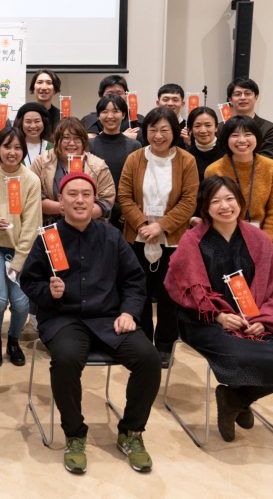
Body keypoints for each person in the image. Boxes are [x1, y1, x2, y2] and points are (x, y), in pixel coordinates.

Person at [20, 172, 160, 473]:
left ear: (95, 200)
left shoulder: (111, 236)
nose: (80, 200)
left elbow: (134, 280)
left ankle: (131, 432)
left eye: (86, 194)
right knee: (66, 359)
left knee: (148, 358)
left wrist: (128, 313)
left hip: (109, 318)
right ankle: (74, 434)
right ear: (60, 201)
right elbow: (28, 281)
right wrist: (48, 291)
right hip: (64, 318)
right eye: (72, 194)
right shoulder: (48, 237)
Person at [165, 177, 273, 442]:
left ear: (239, 202)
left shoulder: (259, 239)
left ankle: (236, 398)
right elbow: (180, 288)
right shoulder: (192, 241)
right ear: (205, 206)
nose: (224, 206)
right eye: (215, 201)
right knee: (239, 357)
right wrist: (218, 316)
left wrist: (264, 319)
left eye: (230, 199)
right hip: (205, 321)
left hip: (257, 319)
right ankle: (239, 399)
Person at [116, 106, 198, 364]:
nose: (158, 136)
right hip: (137, 237)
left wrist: (160, 226)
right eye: (153, 130)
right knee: (138, 292)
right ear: (146, 131)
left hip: (172, 240)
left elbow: (189, 201)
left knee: (168, 295)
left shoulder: (187, 161)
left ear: (174, 131)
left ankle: (164, 344)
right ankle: (141, 343)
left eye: (164, 130)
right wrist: (142, 224)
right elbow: (124, 196)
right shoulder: (135, 158)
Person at [0, 127, 43, 367]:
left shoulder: (31, 180)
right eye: (7, 146)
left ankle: (13, 341)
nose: (12, 152)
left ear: (23, 151)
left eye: (17, 147)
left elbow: (32, 224)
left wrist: (19, 260)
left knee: (21, 303)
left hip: (21, 249)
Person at [204, 116, 273, 245]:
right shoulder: (213, 170)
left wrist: (266, 241)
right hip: (223, 238)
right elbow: (211, 210)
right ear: (226, 139)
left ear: (257, 138)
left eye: (248, 134)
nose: (242, 140)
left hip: (262, 238)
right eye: (235, 135)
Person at [31, 118, 116, 224]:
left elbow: (106, 202)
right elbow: (33, 197)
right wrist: (64, 208)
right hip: (52, 226)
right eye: (66, 138)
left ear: (84, 142)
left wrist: (78, 214)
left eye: (77, 139)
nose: (71, 143)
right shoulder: (41, 162)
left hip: (89, 225)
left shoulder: (98, 166)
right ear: (57, 141)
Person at [88, 95, 141, 226]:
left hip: (126, 212)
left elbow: (137, 181)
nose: (110, 116)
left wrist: (128, 210)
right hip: (96, 211)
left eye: (115, 111)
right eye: (105, 112)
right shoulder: (89, 145)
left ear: (123, 115)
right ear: (98, 116)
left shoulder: (134, 146)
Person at [226, 77, 273, 158]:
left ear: (256, 97)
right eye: (237, 94)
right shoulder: (222, 127)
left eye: (248, 93)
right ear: (230, 99)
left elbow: (268, 159)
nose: (243, 98)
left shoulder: (269, 128)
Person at [138, 83, 188, 148]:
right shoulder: (149, 125)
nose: (170, 103)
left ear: (182, 103)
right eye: (165, 100)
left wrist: (190, 143)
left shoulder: (188, 128)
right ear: (158, 103)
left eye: (175, 100)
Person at [186, 106, 224, 181]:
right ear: (190, 130)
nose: (203, 130)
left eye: (208, 125)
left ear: (216, 127)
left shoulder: (227, 153)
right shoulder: (186, 157)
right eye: (197, 126)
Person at [15, 102, 53, 167]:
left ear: (44, 122)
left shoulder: (52, 148)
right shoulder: (14, 147)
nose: (33, 126)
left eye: (37, 121)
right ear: (21, 123)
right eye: (28, 122)